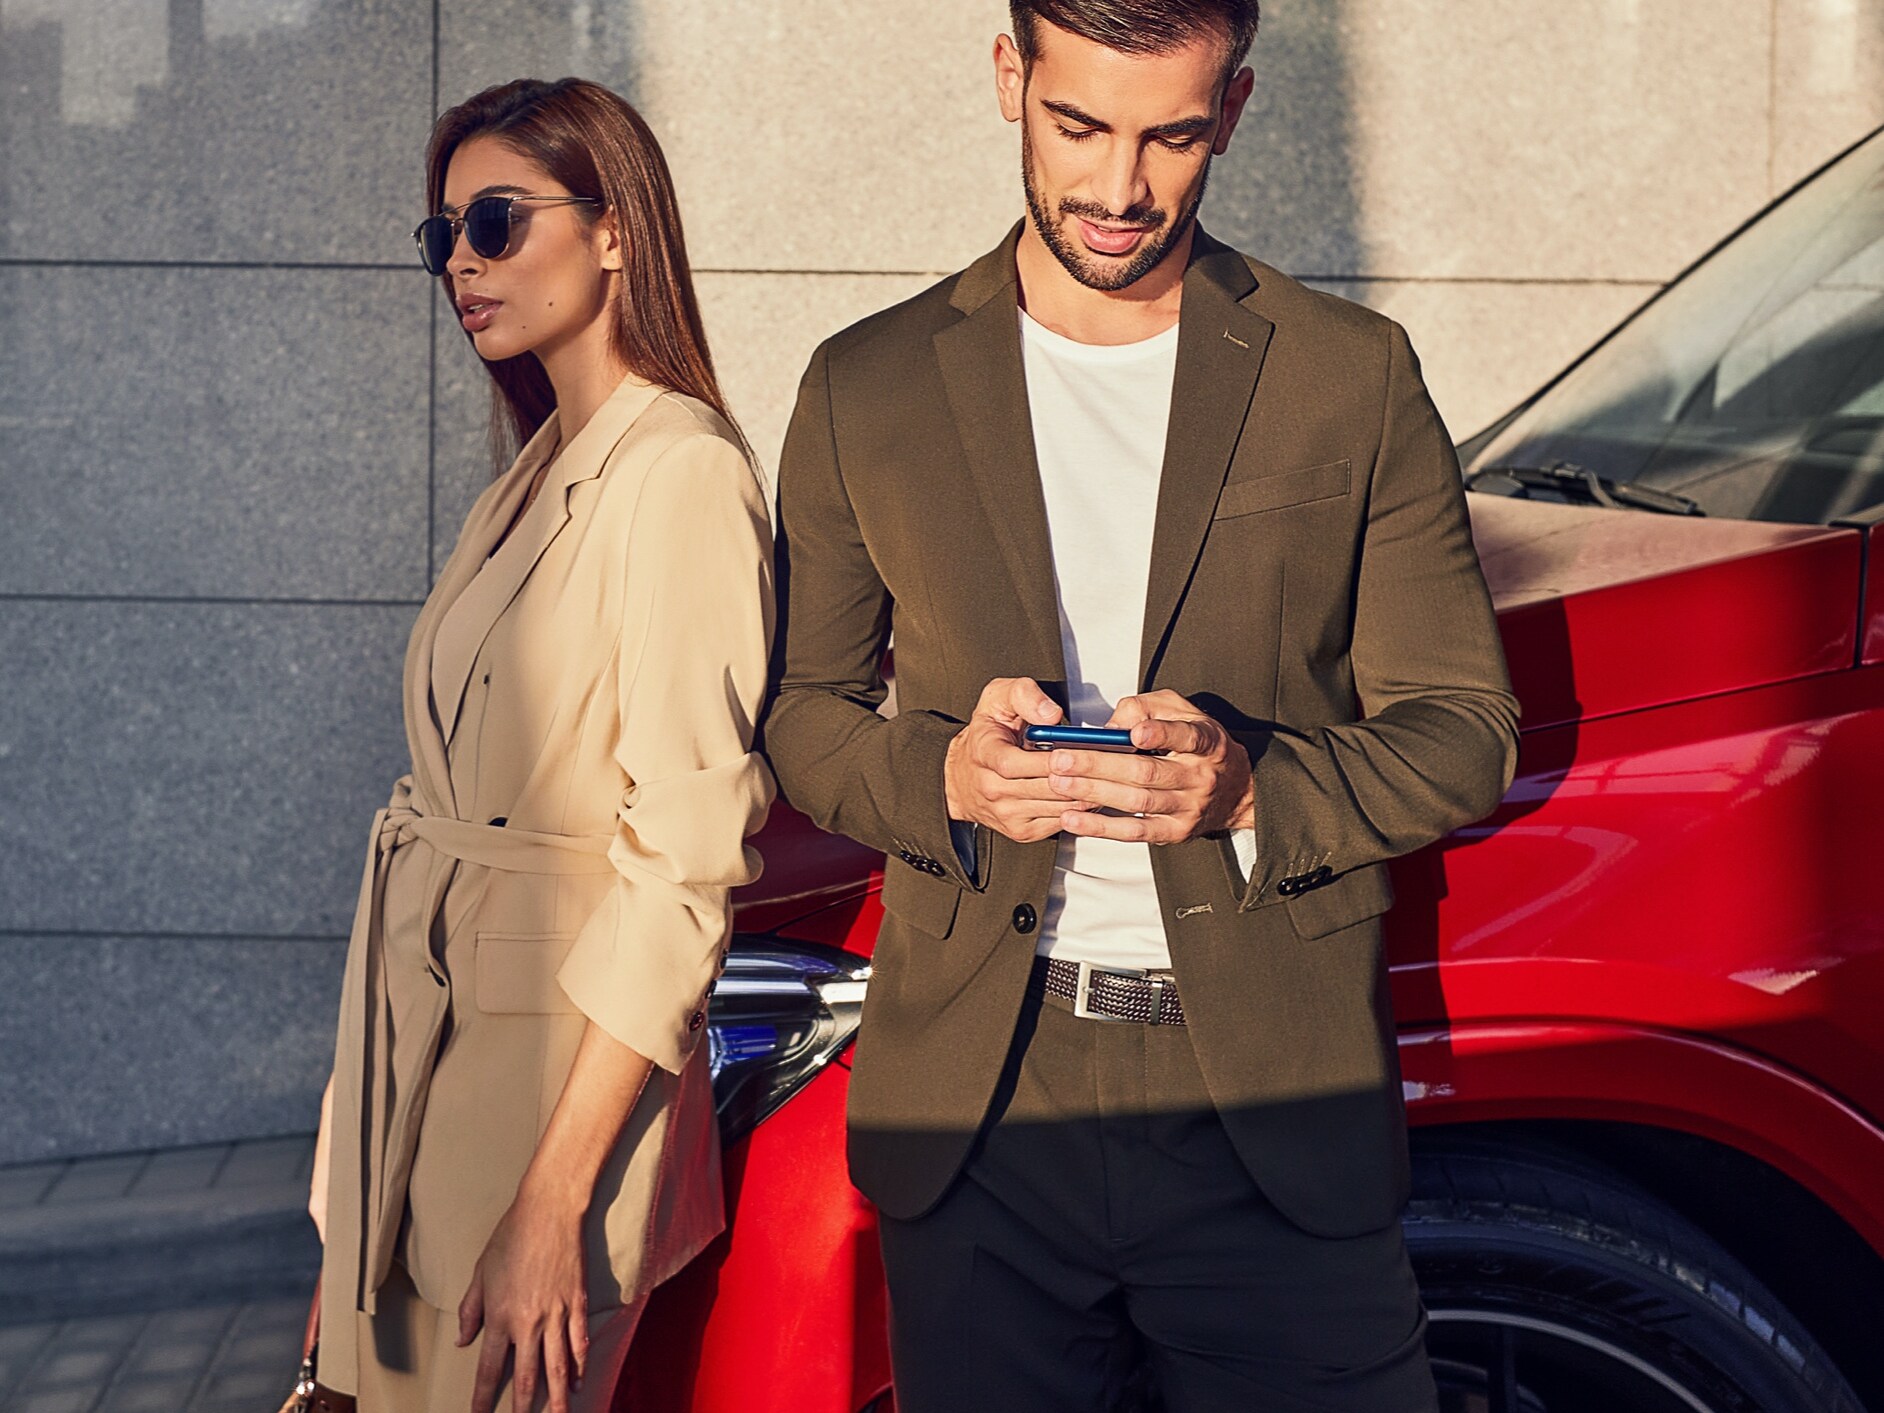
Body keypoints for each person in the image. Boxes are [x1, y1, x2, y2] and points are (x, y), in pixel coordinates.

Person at [762, 2, 1519, 1409]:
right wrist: (946, 777)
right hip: (983, 1117)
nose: (1121, 190)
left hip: (1270, 1113)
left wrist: (1252, 790)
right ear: (1010, 79)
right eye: (1080, 127)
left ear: (1229, 110)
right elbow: (805, 712)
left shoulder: (1348, 375)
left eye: (1172, 136)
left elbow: (1466, 729)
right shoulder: (865, 384)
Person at [307, 77, 774, 1413]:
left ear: (615, 228)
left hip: (543, 1102)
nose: (460, 260)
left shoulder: (680, 469)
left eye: (496, 221)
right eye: (443, 233)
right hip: (435, 1070)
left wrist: (550, 1204)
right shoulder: (540, 461)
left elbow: (684, 865)